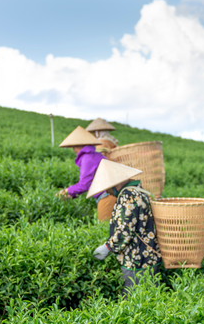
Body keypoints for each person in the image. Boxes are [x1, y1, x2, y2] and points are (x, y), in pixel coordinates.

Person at [88, 159, 162, 297]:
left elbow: (125, 231)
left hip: (136, 261)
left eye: (107, 187)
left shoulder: (127, 196)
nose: (108, 192)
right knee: (151, 300)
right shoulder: (140, 191)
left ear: (115, 183)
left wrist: (107, 247)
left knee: (132, 302)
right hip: (150, 257)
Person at [58, 126, 115, 222]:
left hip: (108, 195)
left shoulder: (87, 158)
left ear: (81, 145)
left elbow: (84, 185)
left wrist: (67, 191)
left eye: (74, 146)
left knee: (104, 228)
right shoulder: (93, 155)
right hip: (111, 193)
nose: (73, 150)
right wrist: (71, 194)